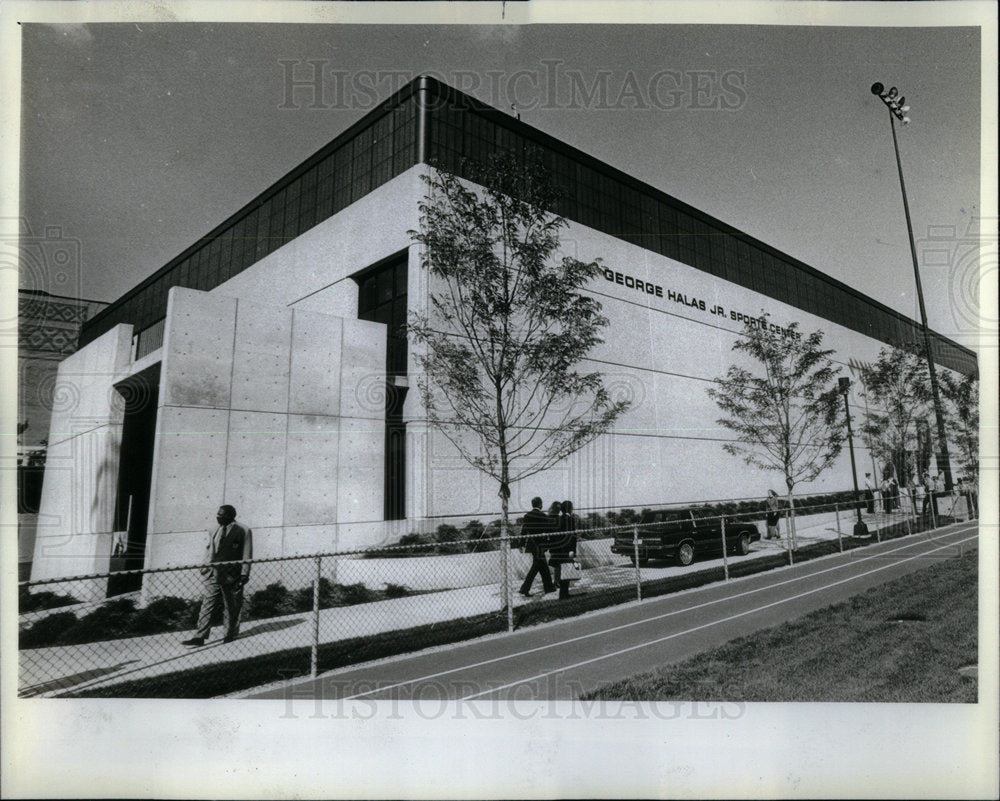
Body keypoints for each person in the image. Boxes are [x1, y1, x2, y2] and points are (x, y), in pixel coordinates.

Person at [182, 505, 253, 646]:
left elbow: (247, 553)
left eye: (222, 515)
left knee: (231, 605)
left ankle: (230, 633)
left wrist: (245, 573)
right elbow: (210, 549)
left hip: (232, 574)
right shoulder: (214, 529)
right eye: (218, 514)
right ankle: (200, 636)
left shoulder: (243, 530)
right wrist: (205, 567)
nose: (218, 517)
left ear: (231, 516)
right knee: (207, 604)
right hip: (213, 573)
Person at [518, 497, 555, 596]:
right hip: (541, 544)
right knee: (537, 566)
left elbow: (524, 530)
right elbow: (549, 530)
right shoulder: (543, 516)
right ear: (539, 504)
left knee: (541, 565)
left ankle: (549, 587)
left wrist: (521, 544)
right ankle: (525, 588)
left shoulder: (527, 516)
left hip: (532, 544)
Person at [548, 500, 578, 600]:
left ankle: (564, 593)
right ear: (569, 508)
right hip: (567, 549)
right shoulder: (569, 519)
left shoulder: (560, 519)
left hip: (562, 549)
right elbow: (572, 537)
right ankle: (564, 594)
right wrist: (572, 550)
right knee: (567, 571)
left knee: (565, 571)